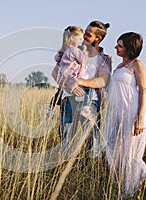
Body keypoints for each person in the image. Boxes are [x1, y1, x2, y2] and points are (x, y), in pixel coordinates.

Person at [52, 21, 112, 157]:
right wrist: (69, 86)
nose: (84, 36)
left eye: (88, 35)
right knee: (65, 139)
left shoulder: (104, 59)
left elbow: (103, 80)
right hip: (68, 99)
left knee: (93, 142)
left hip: (90, 102)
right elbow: (55, 72)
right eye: (84, 32)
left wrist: (79, 82)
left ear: (98, 38)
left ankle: (90, 171)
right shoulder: (72, 50)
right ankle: (64, 170)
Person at [104, 32, 146, 198]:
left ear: (129, 49)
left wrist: (140, 117)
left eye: (120, 45)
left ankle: (129, 192)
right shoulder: (118, 67)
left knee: (129, 152)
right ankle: (129, 181)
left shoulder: (137, 64)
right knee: (112, 147)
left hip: (131, 113)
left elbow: (143, 90)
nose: (116, 47)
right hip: (116, 114)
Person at [47, 25, 92, 120]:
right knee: (88, 89)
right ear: (72, 38)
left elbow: (57, 59)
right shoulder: (74, 50)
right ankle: (85, 107)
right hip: (72, 75)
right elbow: (83, 60)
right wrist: (84, 50)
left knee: (59, 91)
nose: (81, 41)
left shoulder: (65, 50)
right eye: (79, 38)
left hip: (65, 75)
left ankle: (50, 107)